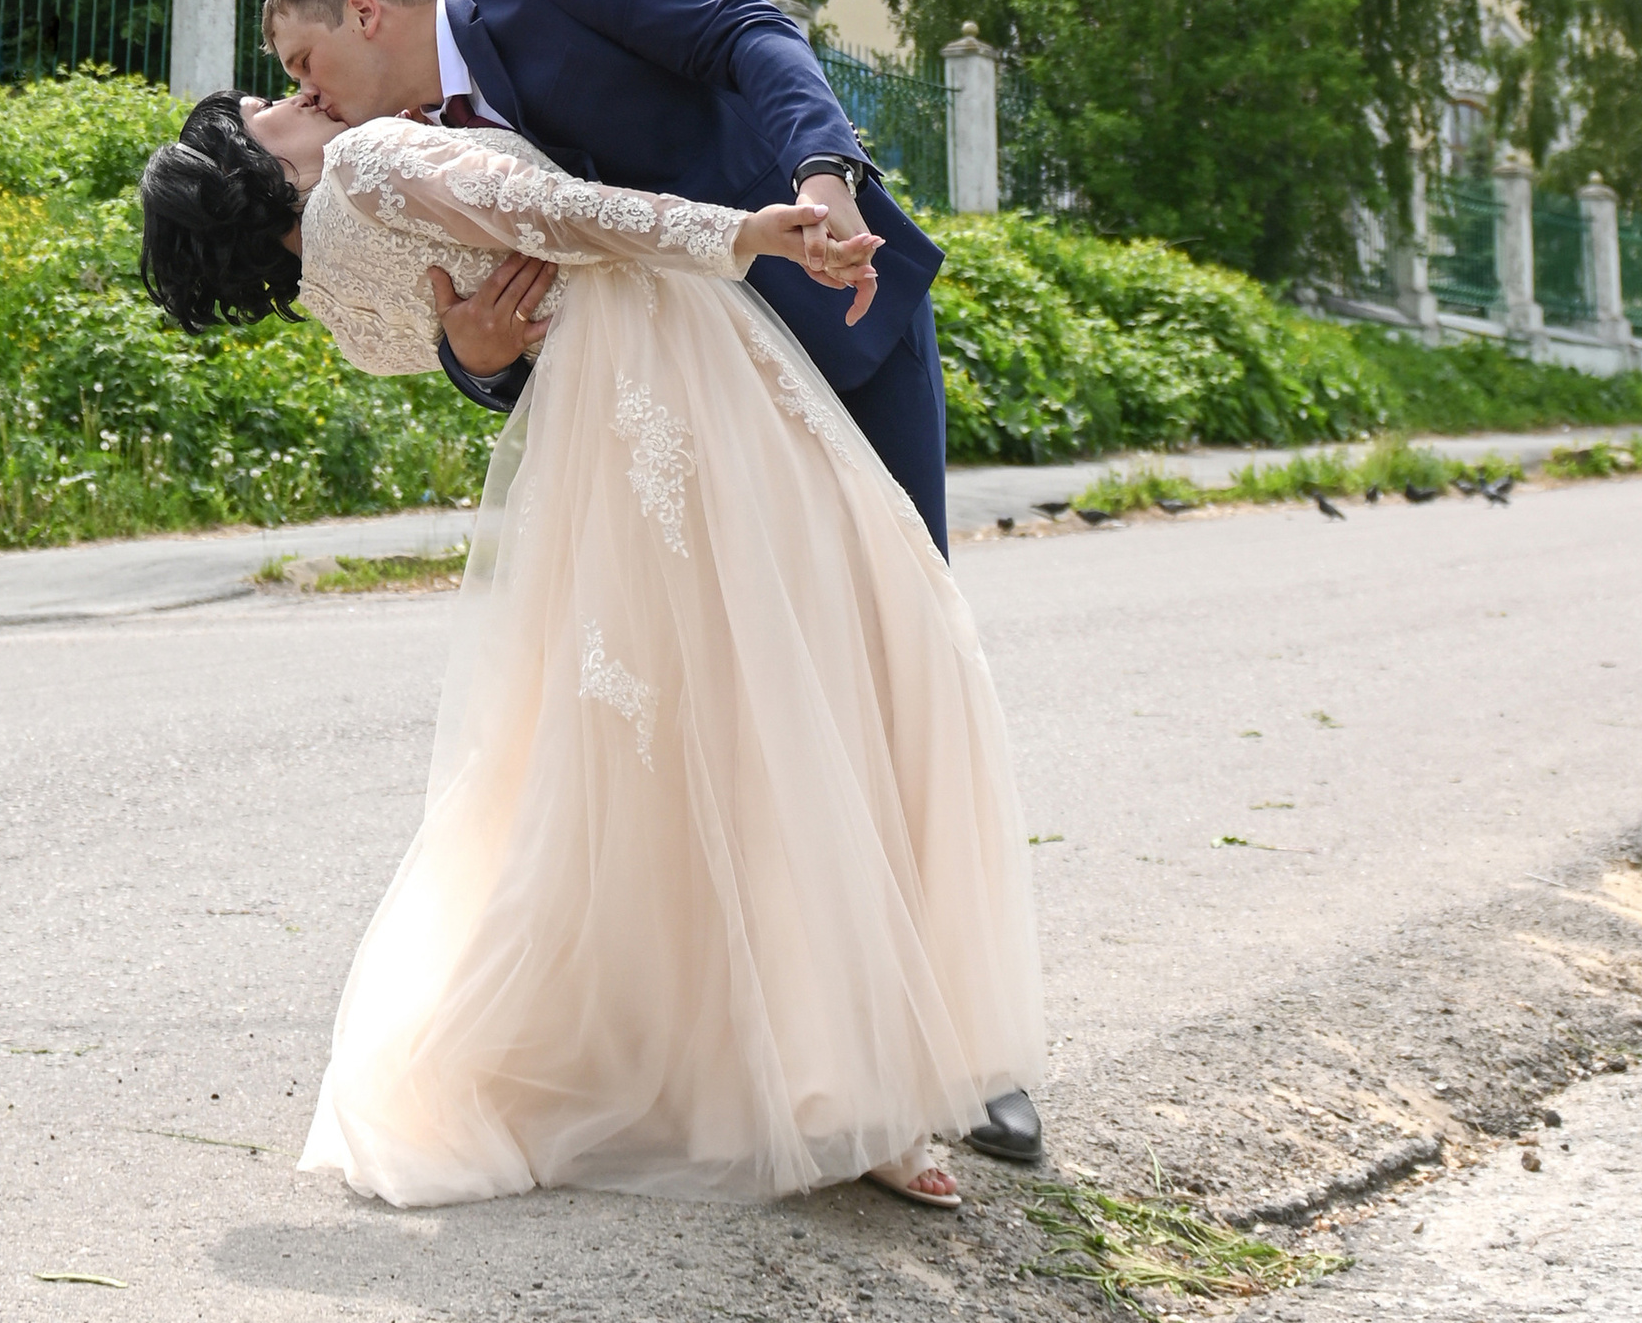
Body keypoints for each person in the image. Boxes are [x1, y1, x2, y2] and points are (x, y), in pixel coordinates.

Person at [138, 88, 1045, 1212]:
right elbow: (566, 216)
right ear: (255, 162)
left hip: (604, 438)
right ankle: (844, 1081)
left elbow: (487, 324)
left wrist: (489, 340)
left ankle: (784, 1071)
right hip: (682, 376)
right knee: (800, 688)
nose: (294, 94)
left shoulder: (341, 312)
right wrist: (743, 233)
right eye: (268, 105)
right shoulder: (367, 158)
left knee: (694, 739)